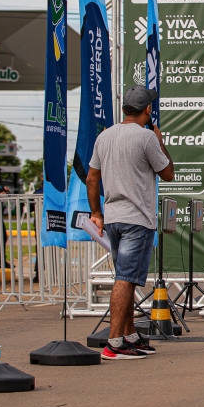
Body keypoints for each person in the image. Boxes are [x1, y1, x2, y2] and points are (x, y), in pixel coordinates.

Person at [86, 86, 175, 360]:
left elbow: (92, 178)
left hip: (113, 218)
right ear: (147, 109)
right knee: (125, 280)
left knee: (126, 278)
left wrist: (96, 212)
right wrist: (160, 142)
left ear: (125, 108)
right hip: (137, 219)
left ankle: (129, 336)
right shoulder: (146, 137)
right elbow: (168, 173)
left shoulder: (104, 136)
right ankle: (114, 343)